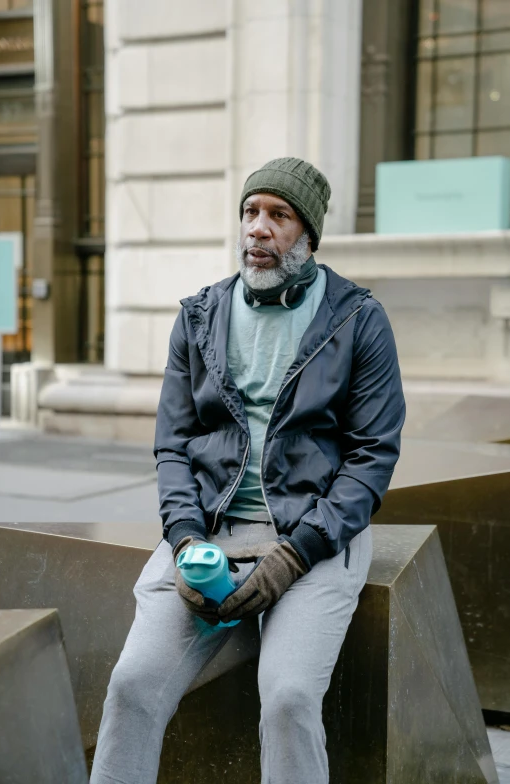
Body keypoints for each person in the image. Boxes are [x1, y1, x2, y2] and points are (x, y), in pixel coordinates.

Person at [90, 157, 405, 784]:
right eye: (250, 212)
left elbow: (372, 456)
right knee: (132, 685)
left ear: (308, 235)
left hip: (312, 536)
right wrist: (184, 542)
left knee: (288, 698)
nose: (258, 229)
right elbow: (173, 445)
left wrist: (294, 555)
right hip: (209, 529)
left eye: (278, 216)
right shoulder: (200, 315)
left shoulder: (358, 319)